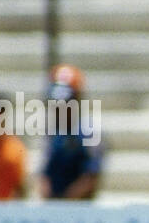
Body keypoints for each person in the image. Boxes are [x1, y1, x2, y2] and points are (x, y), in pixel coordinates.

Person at [38, 64, 104, 200]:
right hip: (54, 205)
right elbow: (45, 171)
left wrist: (66, 201)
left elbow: (91, 176)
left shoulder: (89, 131)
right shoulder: (52, 132)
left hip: (79, 209)